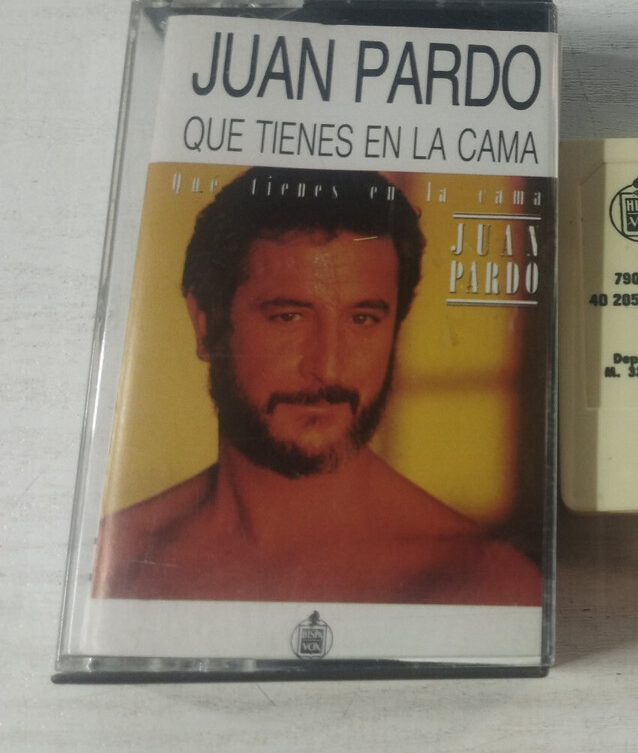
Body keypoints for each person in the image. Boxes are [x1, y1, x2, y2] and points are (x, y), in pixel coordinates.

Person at [92, 167, 542, 606]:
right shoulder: (117, 558)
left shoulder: (483, 584)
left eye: (362, 319)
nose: (328, 368)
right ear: (206, 324)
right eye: (288, 317)